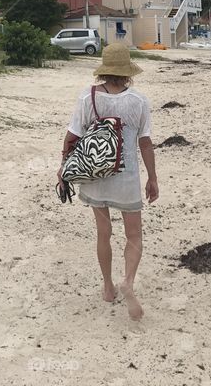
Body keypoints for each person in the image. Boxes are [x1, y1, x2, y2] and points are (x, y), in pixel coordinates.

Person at [58, 43, 158, 321]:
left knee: (104, 232)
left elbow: (71, 137)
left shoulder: (87, 97)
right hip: (125, 179)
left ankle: (107, 286)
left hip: (94, 176)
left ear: (103, 71)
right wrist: (152, 178)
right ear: (127, 73)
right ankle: (127, 281)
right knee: (134, 235)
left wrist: (63, 166)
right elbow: (146, 144)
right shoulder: (138, 101)